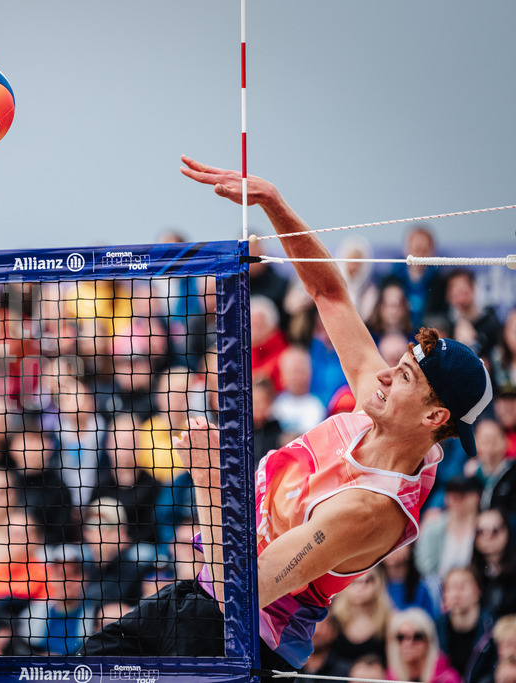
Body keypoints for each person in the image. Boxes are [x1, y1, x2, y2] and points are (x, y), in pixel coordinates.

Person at [80, 157, 494, 671]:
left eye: (405, 375)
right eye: (399, 362)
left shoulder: (371, 509)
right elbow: (329, 292)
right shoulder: (381, 408)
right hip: (198, 597)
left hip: (242, 642)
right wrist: (273, 202)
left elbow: (243, 590)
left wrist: (209, 475)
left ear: (434, 417)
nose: (385, 374)